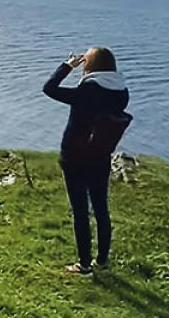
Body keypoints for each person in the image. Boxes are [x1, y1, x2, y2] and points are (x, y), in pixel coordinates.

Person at [42, 47, 130, 275]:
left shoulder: (88, 90)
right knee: (101, 209)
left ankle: (84, 263)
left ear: (90, 66)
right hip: (100, 156)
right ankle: (102, 260)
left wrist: (67, 66)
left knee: (81, 211)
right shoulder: (121, 91)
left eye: (85, 61)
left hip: (75, 158)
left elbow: (49, 89)